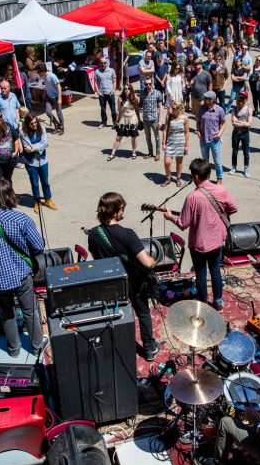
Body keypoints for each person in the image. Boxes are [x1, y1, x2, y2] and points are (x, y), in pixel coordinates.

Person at [0, 179, 47, 357]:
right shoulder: (22, 219)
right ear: (11, 196)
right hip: (21, 274)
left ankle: (14, 350)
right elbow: (38, 247)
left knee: (6, 315)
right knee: (30, 312)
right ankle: (36, 348)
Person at [87, 192, 160, 361]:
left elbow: (97, 260)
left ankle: (116, 348)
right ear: (114, 212)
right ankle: (149, 348)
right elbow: (147, 263)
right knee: (142, 313)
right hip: (132, 283)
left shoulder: (93, 234)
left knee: (115, 316)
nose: (124, 211)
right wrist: (154, 261)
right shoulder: (127, 234)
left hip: (110, 283)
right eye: (122, 208)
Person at [163, 158, 237, 311]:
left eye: (191, 175)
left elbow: (183, 223)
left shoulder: (192, 197)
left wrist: (170, 217)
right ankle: (218, 302)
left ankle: (203, 303)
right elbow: (233, 208)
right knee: (215, 270)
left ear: (196, 176)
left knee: (201, 273)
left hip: (198, 244)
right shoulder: (221, 189)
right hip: (217, 240)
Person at [19, 113, 57, 214]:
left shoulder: (42, 129)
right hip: (31, 162)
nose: (35, 125)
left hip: (43, 161)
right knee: (35, 184)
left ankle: (48, 199)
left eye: (36, 122)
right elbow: (27, 148)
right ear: (27, 124)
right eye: (32, 123)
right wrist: (39, 146)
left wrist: (33, 148)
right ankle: (37, 201)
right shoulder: (23, 132)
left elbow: (45, 143)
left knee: (45, 182)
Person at [196, 92, 227, 183]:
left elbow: (224, 123)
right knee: (205, 162)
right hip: (203, 139)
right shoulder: (201, 109)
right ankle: (206, 178)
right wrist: (198, 131)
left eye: (206, 99)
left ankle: (219, 178)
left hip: (215, 140)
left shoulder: (220, 110)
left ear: (212, 100)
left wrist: (219, 134)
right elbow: (198, 121)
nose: (204, 100)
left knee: (217, 161)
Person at [107, 84, 140, 161]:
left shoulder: (135, 97)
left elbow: (137, 109)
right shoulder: (120, 98)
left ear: (131, 89)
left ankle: (134, 152)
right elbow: (118, 111)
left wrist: (138, 119)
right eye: (125, 88)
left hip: (132, 119)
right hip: (123, 119)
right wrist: (116, 121)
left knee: (134, 136)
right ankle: (112, 153)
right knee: (118, 137)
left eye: (128, 89)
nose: (126, 90)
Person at [162, 102, 189, 187]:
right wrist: (163, 143)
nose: (171, 110)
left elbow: (187, 133)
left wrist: (186, 145)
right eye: (171, 108)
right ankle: (168, 178)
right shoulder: (169, 117)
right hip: (170, 141)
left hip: (180, 142)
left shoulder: (185, 118)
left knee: (179, 162)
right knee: (167, 162)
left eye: (173, 108)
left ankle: (178, 178)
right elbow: (165, 130)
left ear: (179, 109)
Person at [229, 91, 253, 177]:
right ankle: (234, 167)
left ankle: (246, 168)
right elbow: (233, 123)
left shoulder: (249, 109)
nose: (240, 103)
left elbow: (249, 124)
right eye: (239, 101)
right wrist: (244, 123)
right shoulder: (234, 109)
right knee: (234, 151)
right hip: (236, 133)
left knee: (246, 152)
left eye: (242, 101)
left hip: (245, 134)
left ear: (245, 100)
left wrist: (240, 123)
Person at [37, 63, 64, 135]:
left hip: (56, 97)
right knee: (48, 112)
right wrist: (44, 93)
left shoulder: (52, 76)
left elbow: (59, 87)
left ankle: (62, 127)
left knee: (59, 113)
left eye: (39, 72)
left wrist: (60, 99)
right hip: (49, 97)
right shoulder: (44, 77)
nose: (38, 74)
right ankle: (57, 125)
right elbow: (47, 85)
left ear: (43, 71)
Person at [140, 78, 164, 161]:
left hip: (154, 119)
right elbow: (140, 105)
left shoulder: (157, 93)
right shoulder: (142, 93)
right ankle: (150, 152)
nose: (148, 85)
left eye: (149, 83)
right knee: (147, 137)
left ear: (152, 83)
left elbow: (160, 107)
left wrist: (160, 120)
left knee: (157, 137)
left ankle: (158, 153)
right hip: (145, 119)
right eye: (146, 84)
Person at [95, 56, 118, 129]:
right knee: (103, 109)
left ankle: (115, 123)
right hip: (102, 93)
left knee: (113, 110)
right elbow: (95, 82)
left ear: (107, 63)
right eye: (101, 63)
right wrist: (98, 91)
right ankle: (103, 122)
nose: (103, 64)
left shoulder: (112, 70)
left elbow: (114, 81)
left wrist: (113, 90)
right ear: (100, 63)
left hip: (110, 93)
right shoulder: (97, 71)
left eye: (105, 63)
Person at [248, 56, 260, 120]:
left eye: (259, 60)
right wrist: (255, 76)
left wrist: (255, 77)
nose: (258, 61)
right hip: (253, 85)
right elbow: (250, 74)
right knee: (254, 98)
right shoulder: (253, 67)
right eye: (257, 60)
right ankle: (256, 110)